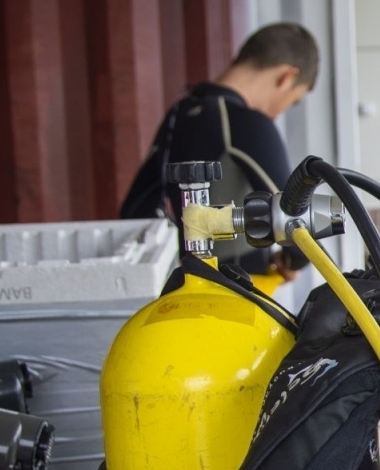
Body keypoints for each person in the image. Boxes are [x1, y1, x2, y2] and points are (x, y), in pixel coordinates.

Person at [119, 22, 319, 281]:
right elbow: (296, 219)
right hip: (234, 289)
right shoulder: (245, 122)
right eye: (293, 100)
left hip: (183, 285)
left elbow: (135, 211)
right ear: (287, 77)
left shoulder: (181, 114)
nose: (280, 112)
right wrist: (291, 261)